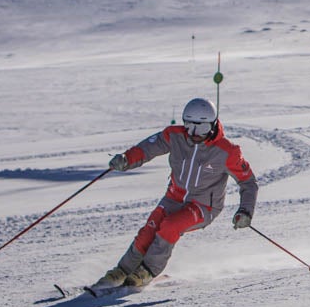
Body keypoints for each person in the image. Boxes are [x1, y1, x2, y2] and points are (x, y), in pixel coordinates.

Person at [97, 97, 258, 289]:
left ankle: (146, 271)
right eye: (189, 126)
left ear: (213, 125)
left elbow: (248, 182)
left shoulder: (227, 151)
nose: (194, 133)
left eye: (201, 128)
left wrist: (245, 211)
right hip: (174, 197)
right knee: (150, 229)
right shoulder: (175, 136)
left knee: (170, 226)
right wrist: (126, 159)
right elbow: (147, 148)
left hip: (204, 206)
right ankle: (122, 271)